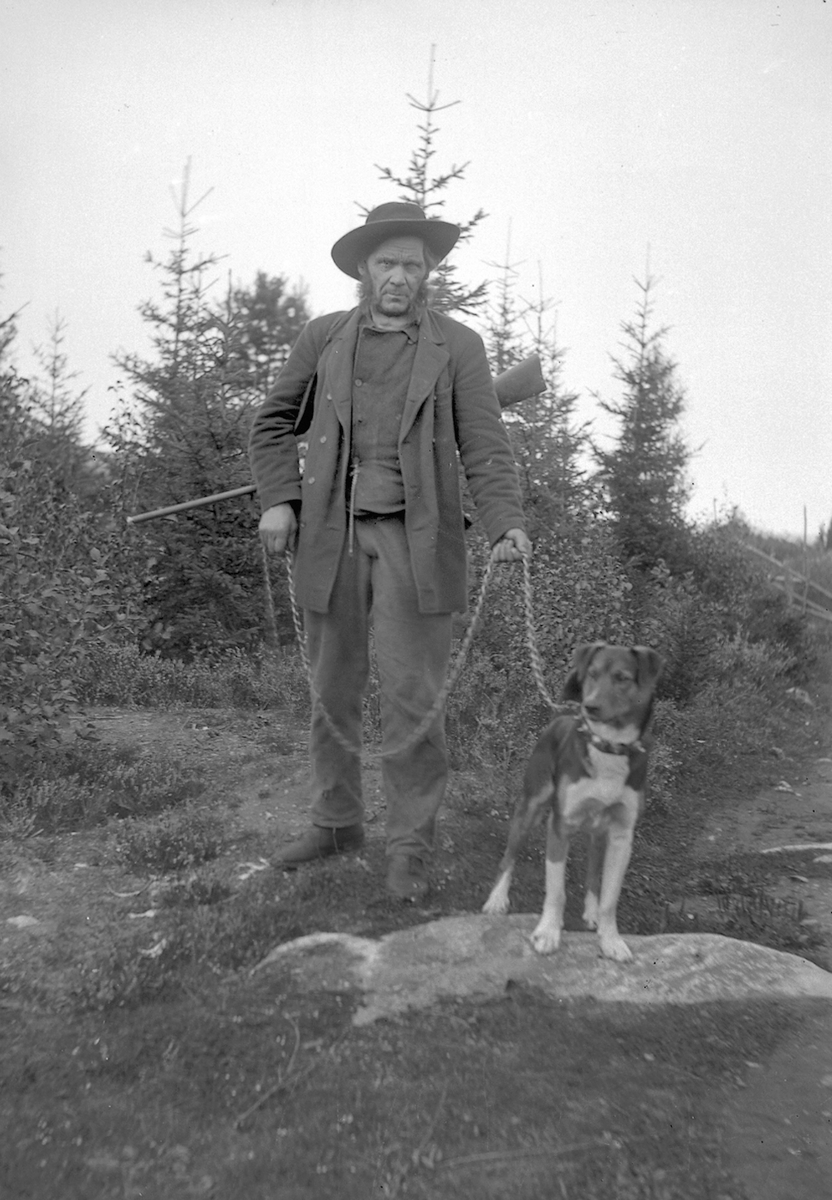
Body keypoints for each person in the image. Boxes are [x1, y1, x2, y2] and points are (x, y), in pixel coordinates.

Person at [249, 200, 531, 901]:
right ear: (364, 270)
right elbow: (273, 422)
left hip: (418, 542)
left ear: (428, 269)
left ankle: (410, 845)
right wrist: (278, 500)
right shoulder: (324, 338)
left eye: (412, 262)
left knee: (413, 698)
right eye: (386, 263)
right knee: (332, 691)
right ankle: (337, 823)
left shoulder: (458, 346)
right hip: (329, 537)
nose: (399, 275)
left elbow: (486, 444)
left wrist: (506, 524)